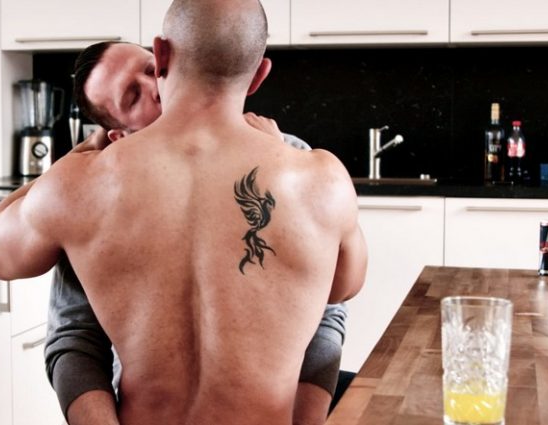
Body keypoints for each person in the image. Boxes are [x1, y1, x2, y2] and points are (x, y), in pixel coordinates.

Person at [0, 0, 366, 422]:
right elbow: (339, 290)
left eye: (148, 71)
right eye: (131, 96)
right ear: (259, 74)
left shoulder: (81, 185)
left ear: (161, 55)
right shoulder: (321, 178)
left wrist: (77, 162)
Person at [49, 41, 349, 425]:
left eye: (151, 70)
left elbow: (327, 314)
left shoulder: (293, 157)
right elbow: (74, 336)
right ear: (120, 137)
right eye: (133, 96)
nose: (156, 87)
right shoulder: (90, 189)